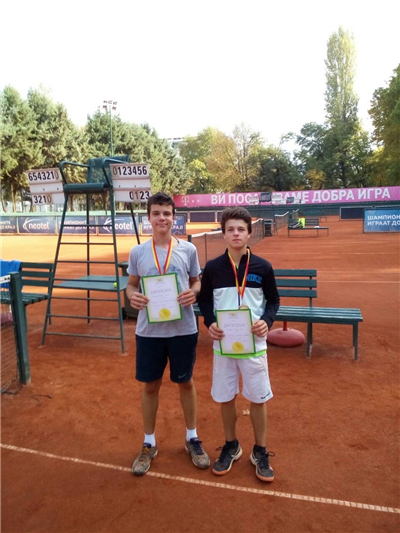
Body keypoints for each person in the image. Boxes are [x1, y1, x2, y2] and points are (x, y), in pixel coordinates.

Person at [126, 192, 210, 476]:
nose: (162, 218)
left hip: (183, 329)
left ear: (174, 218)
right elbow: (131, 285)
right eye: (156, 213)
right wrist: (132, 296)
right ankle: (149, 442)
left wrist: (194, 292)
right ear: (148, 218)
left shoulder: (188, 249)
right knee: (150, 386)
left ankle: (192, 438)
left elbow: (197, 281)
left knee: (185, 382)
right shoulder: (138, 252)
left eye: (166, 213)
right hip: (149, 332)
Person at [197, 206, 280, 482]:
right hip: (224, 344)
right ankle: (231, 445)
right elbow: (204, 300)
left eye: (241, 229)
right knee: (226, 396)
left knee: (258, 397)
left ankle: (260, 450)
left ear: (249, 233)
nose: (236, 233)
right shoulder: (212, 267)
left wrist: (267, 320)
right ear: (223, 233)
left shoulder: (263, 267)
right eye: (230, 229)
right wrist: (210, 322)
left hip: (254, 343)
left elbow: (274, 300)